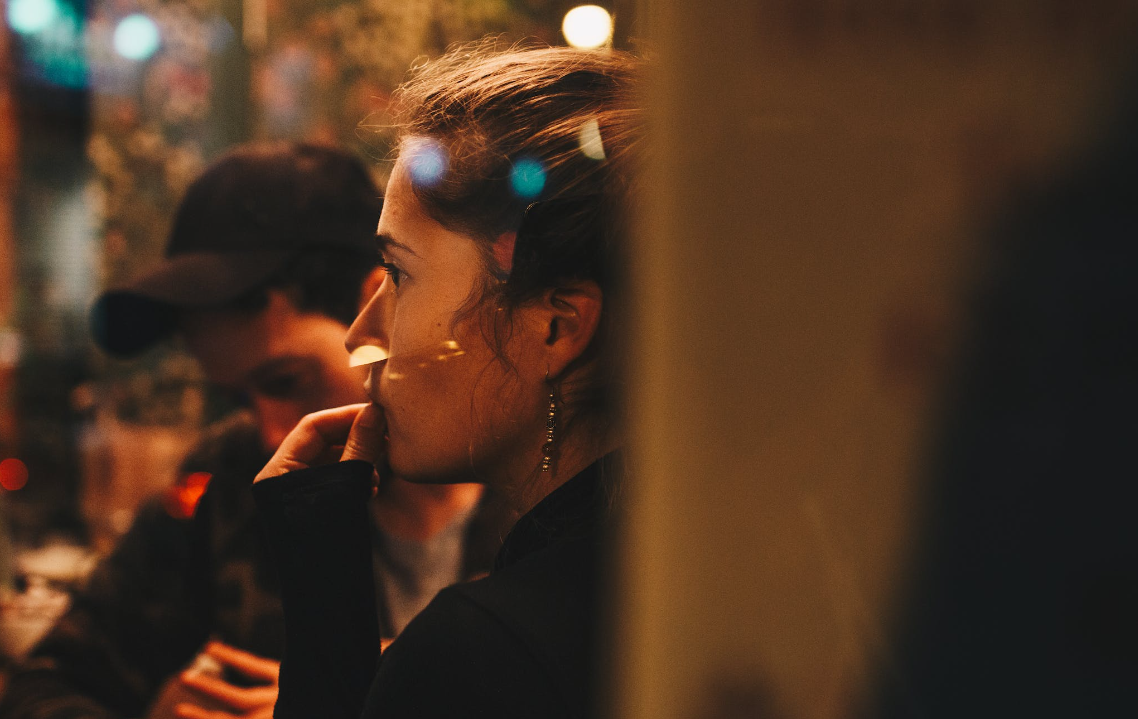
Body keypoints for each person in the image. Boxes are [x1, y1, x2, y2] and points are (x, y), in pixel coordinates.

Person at [0, 143, 511, 719]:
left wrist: (376, 694)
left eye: (286, 381)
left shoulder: (537, 485)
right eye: (238, 397)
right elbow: (40, 689)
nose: (270, 433)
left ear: (384, 304)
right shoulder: (230, 478)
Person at [249, 45, 642, 719]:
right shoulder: (691, 575)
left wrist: (324, 617)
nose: (361, 333)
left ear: (555, 327)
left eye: (399, 275)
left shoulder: (482, 653)